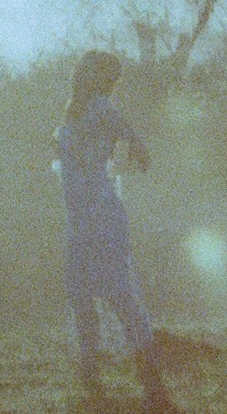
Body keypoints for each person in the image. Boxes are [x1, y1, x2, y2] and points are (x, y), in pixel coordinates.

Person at [52, 50, 156, 383]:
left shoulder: (100, 108)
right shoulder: (77, 111)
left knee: (114, 289)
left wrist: (137, 145)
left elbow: (124, 129)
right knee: (80, 290)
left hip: (100, 212)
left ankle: (143, 357)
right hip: (80, 215)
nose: (110, 83)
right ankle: (91, 363)